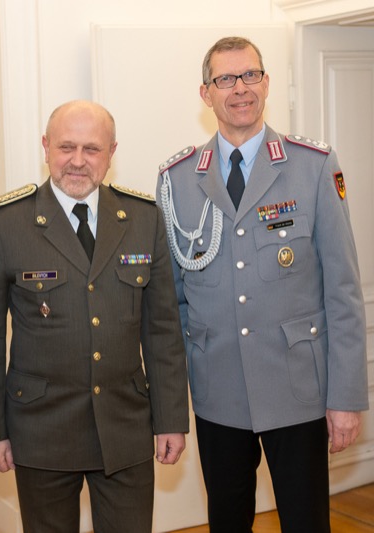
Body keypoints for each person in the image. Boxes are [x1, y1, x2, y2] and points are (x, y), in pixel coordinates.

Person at [156, 36, 369, 532]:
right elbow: (171, 305)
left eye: (250, 75)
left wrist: (346, 397)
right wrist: (171, 406)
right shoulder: (177, 179)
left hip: (297, 390)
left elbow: (342, 292)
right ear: (206, 93)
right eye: (225, 79)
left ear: (267, 83)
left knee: (306, 521)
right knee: (227, 521)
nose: (240, 89)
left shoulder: (313, 165)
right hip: (218, 391)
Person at [0, 100, 189, 533]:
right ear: (45, 147)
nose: (77, 161)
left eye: (91, 149)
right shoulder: (6, 223)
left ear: (111, 152)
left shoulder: (143, 218)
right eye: (66, 147)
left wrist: (171, 419)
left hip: (125, 425)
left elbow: (162, 330)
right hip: (41, 429)